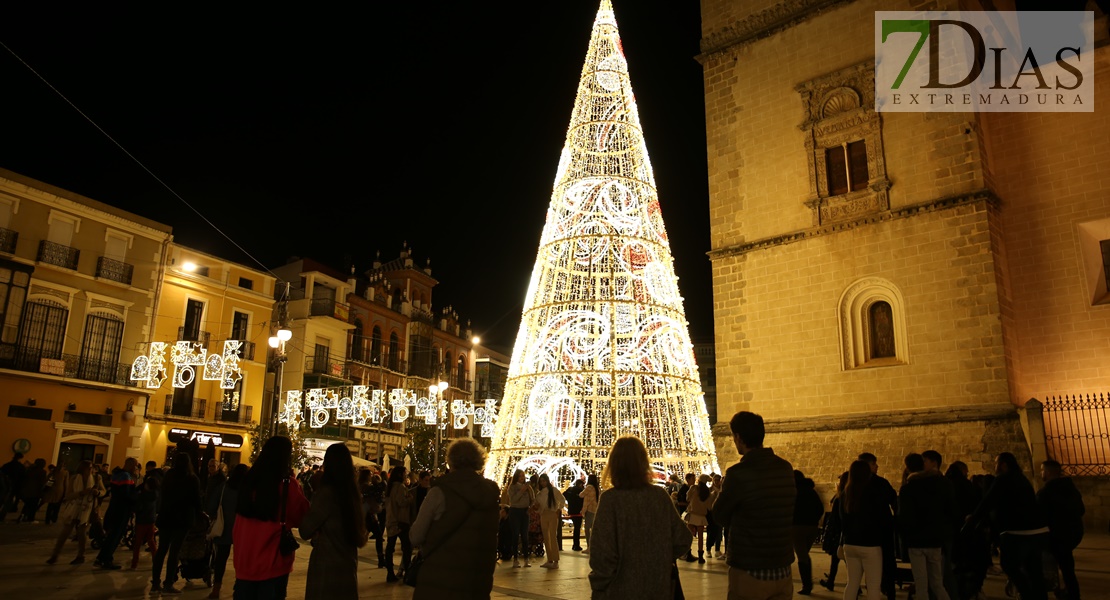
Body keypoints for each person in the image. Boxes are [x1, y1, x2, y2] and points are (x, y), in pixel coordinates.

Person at [588, 436, 692, 599]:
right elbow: (683, 539)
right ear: (644, 463)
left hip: (619, 590)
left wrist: (599, 586)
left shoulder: (611, 499)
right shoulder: (659, 496)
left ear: (614, 465)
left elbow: (602, 552)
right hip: (658, 589)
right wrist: (661, 559)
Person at [712, 411, 796, 600]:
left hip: (750, 570)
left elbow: (720, 515)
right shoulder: (785, 468)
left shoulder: (738, 474)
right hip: (782, 567)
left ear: (739, 437)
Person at [410, 438, 500, 599]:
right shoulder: (490, 495)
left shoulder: (439, 492)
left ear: (450, 461)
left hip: (440, 582)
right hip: (476, 582)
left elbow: (415, 536)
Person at [233, 435, 310, 599]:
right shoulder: (287, 485)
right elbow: (302, 516)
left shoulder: (248, 482)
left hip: (244, 559)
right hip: (272, 561)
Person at [968, 452, 1049, 600]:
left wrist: (973, 519)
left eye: (996, 462)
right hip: (1038, 531)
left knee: (1009, 565)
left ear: (1004, 465)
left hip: (1017, 532)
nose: (995, 465)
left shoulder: (1003, 479)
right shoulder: (1022, 479)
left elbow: (987, 502)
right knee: (1034, 569)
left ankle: (1027, 594)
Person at [300, 444, 368, 598]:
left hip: (327, 566)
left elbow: (305, 530)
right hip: (347, 564)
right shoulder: (353, 494)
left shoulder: (327, 494)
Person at [898, 453, 956, 600]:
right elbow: (950, 510)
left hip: (916, 541)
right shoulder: (941, 484)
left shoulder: (907, 489)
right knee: (937, 583)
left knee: (921, 585)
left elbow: (904, 518)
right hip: (935, 539)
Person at [841, 459, 894, 600]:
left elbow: (843, 520)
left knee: (852, 583)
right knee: (873, 586)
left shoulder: (846, 493)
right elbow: (883, 518)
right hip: (871, 543)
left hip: (850, 543)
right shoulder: (874, 492)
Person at [152, 452, 202, 594]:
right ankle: (168, 583)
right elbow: (196, 500)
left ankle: (155, 583)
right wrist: (200, 514)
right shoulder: (192, 479)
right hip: (182, 519)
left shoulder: (169, 476)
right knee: (174, 552)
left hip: (166, 517)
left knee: (162, 550)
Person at [1037, 459, 1084, 600]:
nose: (1041, 473)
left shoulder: (1045, 492)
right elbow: (1081, 510)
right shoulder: (1071, 488)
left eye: (1042, 470)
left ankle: (1066, 592)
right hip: (1072, 534)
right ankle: (1071, 592)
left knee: (1052, 566)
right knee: (1068, 567)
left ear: (1049, 472)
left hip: (1056, 536)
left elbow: (1039, 516)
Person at [857, 452, 898, 600]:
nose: (877, 466)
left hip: (862, 533)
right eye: (874, 464)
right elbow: (894, 501)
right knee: (886, 563)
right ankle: (889, 590)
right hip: (882, 530)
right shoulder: (881, 483)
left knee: (861, 570)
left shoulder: (853, 484)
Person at [46, 460, 102, 565]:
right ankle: (55, 555)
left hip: (87, 508)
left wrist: (97, 492)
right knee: (65, 533)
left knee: (82, 534)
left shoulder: (96, 478)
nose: (90, 470)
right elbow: (68, 495)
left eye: (91, 468)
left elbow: (102, 491)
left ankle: (81, 556)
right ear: (82, 468)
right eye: (88, 468)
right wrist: (81, 493)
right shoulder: (74, 478)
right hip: (73, 508)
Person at [206, 463, 246, 599]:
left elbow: (211, 507)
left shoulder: (223, 488)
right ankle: (239, 587)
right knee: (241, 561)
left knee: (220, 560)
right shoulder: (247, 490)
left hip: (224, 529)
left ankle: (216, 589)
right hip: (243, 530)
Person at [94, 457, 142, 570]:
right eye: (135, 465)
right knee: (115, 535)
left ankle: (102, 558)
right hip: (122, 509)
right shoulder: (126, 476)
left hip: (114, 507)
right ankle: (105, 559)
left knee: (112, 535)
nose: (136, 467)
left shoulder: (117, 474)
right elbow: (127, 494)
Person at [793, 469, 824, 595]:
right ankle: (807, 584)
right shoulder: (811, 491)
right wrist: (814, 520)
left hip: (797, 527)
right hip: (812, 527)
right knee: (804, 554)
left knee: (802, 556)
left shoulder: (794, 492)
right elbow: (820, 508)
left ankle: (807, 585)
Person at [384, 465, 414, 582]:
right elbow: (401, 502)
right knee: (407, 548)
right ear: (400, 475)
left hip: (391, 520)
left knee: (390, 548)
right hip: (400, 521)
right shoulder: (400, 487)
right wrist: (410, 498)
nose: (406, 476)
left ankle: (390, 573)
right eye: (404, 474)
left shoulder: (390, 487)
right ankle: (407, 572)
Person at [819, 471, 849, 592]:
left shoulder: (839, 498)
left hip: (838, 534)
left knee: (836, 560)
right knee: (843, 561)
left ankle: (832, 582)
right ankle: (833, 581)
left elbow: (835, 518)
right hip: (845, 533)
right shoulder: (849, 497)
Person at [500, 469, 535, 567]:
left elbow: (532, 499)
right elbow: (513, 500)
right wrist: (521, 491)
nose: (522, 478)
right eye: (520, 476)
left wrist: (530, 507)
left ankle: (526, 559)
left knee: (525, 535)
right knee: (515, 534)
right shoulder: (512, 487)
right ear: (516, 477)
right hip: (515, 511)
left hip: (525, 511)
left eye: (523, 476)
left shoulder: (529, 488)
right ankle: (515, 559)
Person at [534, 473, 566, 568]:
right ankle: (550, 559)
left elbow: (562, 500)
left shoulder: (554, 491)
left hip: (552, 514)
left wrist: (558, 509)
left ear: (547, 481)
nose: (543, 483)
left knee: (552, 536)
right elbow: (538, 506)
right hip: (544, 515)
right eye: (541, 481)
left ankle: (555, 560)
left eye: (544, 481)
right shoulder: (539, 494)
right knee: (546, 537)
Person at [684, 473, 718, 564]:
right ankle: (700, 557)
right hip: (701, 516)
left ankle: (688, 554)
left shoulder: (693, 488)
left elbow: (687, 498)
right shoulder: (708, 493)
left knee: (688, 536)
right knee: (701, 538)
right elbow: (709, 507)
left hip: (692, 514)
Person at [132, 474, 159, 571]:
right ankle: (156, 561)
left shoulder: (142, 496)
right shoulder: (155, 495)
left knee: (138, 543)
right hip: (151, 520)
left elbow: (138, 508)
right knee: (151, 541)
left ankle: (134, 563)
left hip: (141, 521)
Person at [18, 457, 47, 523]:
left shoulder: (30, 470)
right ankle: (30, 518)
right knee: (33, 506)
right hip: (35, 491)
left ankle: (22, 515)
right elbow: (42, 482)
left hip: (26, 490)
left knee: (27, 504)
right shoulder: (42, 472)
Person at [0, 452, 27, 521]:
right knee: (8, 502)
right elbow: (23, 477)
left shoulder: (7, 465)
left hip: (4, 485)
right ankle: (2, 516)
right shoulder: (21, 467)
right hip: (15, 486)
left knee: (2, 500)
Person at [564, 476, 585, 551]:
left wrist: (569, 500)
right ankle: (576, 545)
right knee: (577, 529)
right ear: (580, 484)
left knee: (576, 528)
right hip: (578, 512)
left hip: (571, 511)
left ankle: (575, 545)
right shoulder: (581, 491)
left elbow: (564, 495)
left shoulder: (570, 489)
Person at [581, 473, 600, 554]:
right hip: (595, 509)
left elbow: (581, 495)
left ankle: (589, 547)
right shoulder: (597, 488)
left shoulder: (589, 487)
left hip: (589, 510)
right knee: (593, 529)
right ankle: (594, 546)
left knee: (587, 529)